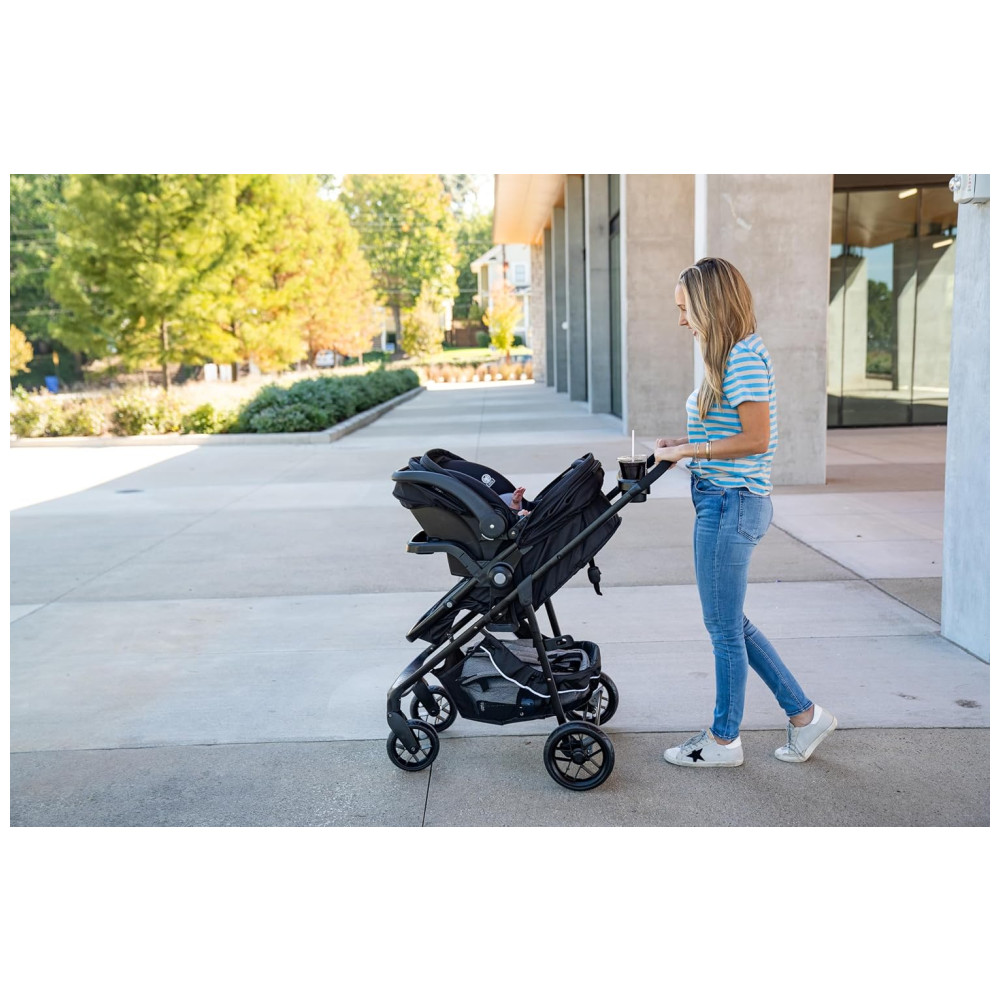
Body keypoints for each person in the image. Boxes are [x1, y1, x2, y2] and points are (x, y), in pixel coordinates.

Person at [654, 257, 836, 768]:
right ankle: (804, 715)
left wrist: (689, 451)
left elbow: (756, 439)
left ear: (710, 305)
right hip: (722, 499)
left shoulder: (742, 358)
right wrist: (682, 444)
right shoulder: (731, 356)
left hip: (730, 503)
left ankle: (723, 741)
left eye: (686, 309)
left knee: (724, 629)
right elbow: (730, 432)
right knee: (730, 622)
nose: (681, 320)